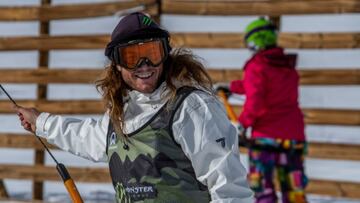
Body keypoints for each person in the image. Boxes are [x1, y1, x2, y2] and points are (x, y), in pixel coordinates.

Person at [14, 12, 253, 203]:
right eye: (131, 57)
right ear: (117, 64)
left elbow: (229, 187)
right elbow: (86, 137)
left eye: (151, 53)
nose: (143, 65)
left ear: (165, 54)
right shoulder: (121, 114)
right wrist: (40, 122)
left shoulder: (192, 107)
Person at [229, 17, 308, 203]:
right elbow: (269, 87)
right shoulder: (287, 66)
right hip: (293, 138)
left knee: (263, 189)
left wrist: (242, 124)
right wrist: (233, 87)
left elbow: (256, 100)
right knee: (294, 189)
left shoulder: (257, 65)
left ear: (256, 41)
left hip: (266, 138)